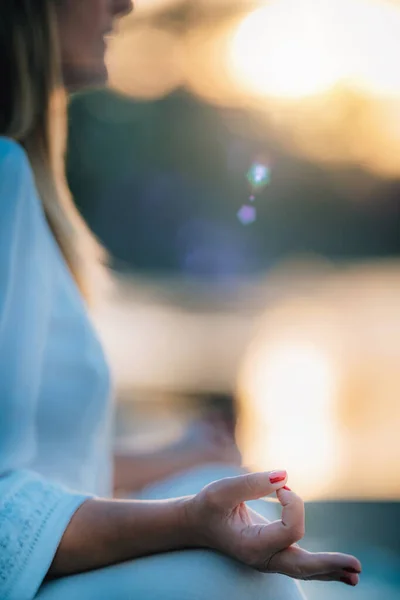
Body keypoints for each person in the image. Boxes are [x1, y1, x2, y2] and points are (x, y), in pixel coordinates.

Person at [0, 1, 362, 599]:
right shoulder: (5, 173)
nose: (125, 4)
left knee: (214, 479)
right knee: (236, 582)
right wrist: (190, 517)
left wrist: (169, 459)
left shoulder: (25, 187)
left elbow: (35, 472)